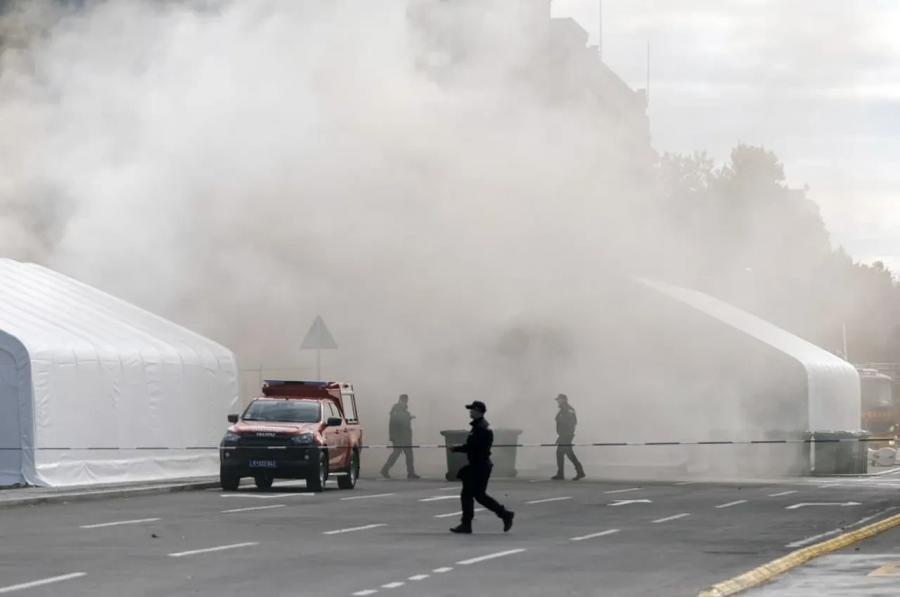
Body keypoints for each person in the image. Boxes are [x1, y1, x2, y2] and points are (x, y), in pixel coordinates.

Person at [448, 400, 514, 534]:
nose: (470, 412)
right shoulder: (479, 426)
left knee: (467, 494)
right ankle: (504, 514)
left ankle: (466, 524)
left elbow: (473, 447)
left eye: (472, 410)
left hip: (479, 465)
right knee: (479, 495)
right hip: (479, 464)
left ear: (478, 412)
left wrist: (456, 448)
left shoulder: (481, 428)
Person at [381, 394, 420, 479]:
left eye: (406, 401)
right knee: (396, 454)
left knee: (408, 454)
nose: (405, 402)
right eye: (404, 401)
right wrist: (408, 417)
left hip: (404, 436)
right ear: (400, 400)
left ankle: (410, 472)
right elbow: (397, 420)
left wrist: (408, 417)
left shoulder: (403, 410)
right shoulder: (396, 409)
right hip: (399, 436)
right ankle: (385, 469)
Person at [552, 393, 585, 481]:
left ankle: (578, 471)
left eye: (558, 400)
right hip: (564, 435)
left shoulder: (568, 410)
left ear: (563, 400)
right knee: (562, 453)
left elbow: (570, 423)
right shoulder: (564, 410)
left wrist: (564, 436)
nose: (557, 402)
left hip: (566, 435)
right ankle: (563, 473)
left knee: (567, 453)